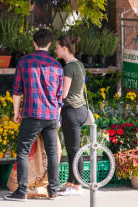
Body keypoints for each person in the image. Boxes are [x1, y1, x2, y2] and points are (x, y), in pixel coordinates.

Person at [4, 28, 63, 201]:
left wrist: (16, 112)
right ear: (50, 44)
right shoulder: (57, 66)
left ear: (34, 43)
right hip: (51, 115)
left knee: (23, 151)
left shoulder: (24, 62)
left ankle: (21, 191)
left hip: (31, 113)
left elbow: (17, 91)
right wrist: (57, 118)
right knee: (52, 153)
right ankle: (53, 191)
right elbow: (59, 97)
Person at [54, 35, 87, 196]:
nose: (55, 50)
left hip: (71, 111)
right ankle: (70, 183)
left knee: (74, 150)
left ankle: (77, 186)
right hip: (81, 109)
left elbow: (63, 94)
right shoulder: (79, 64)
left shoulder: (68, 68)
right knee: (72, 148)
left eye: (57, 47)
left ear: (64, 49)